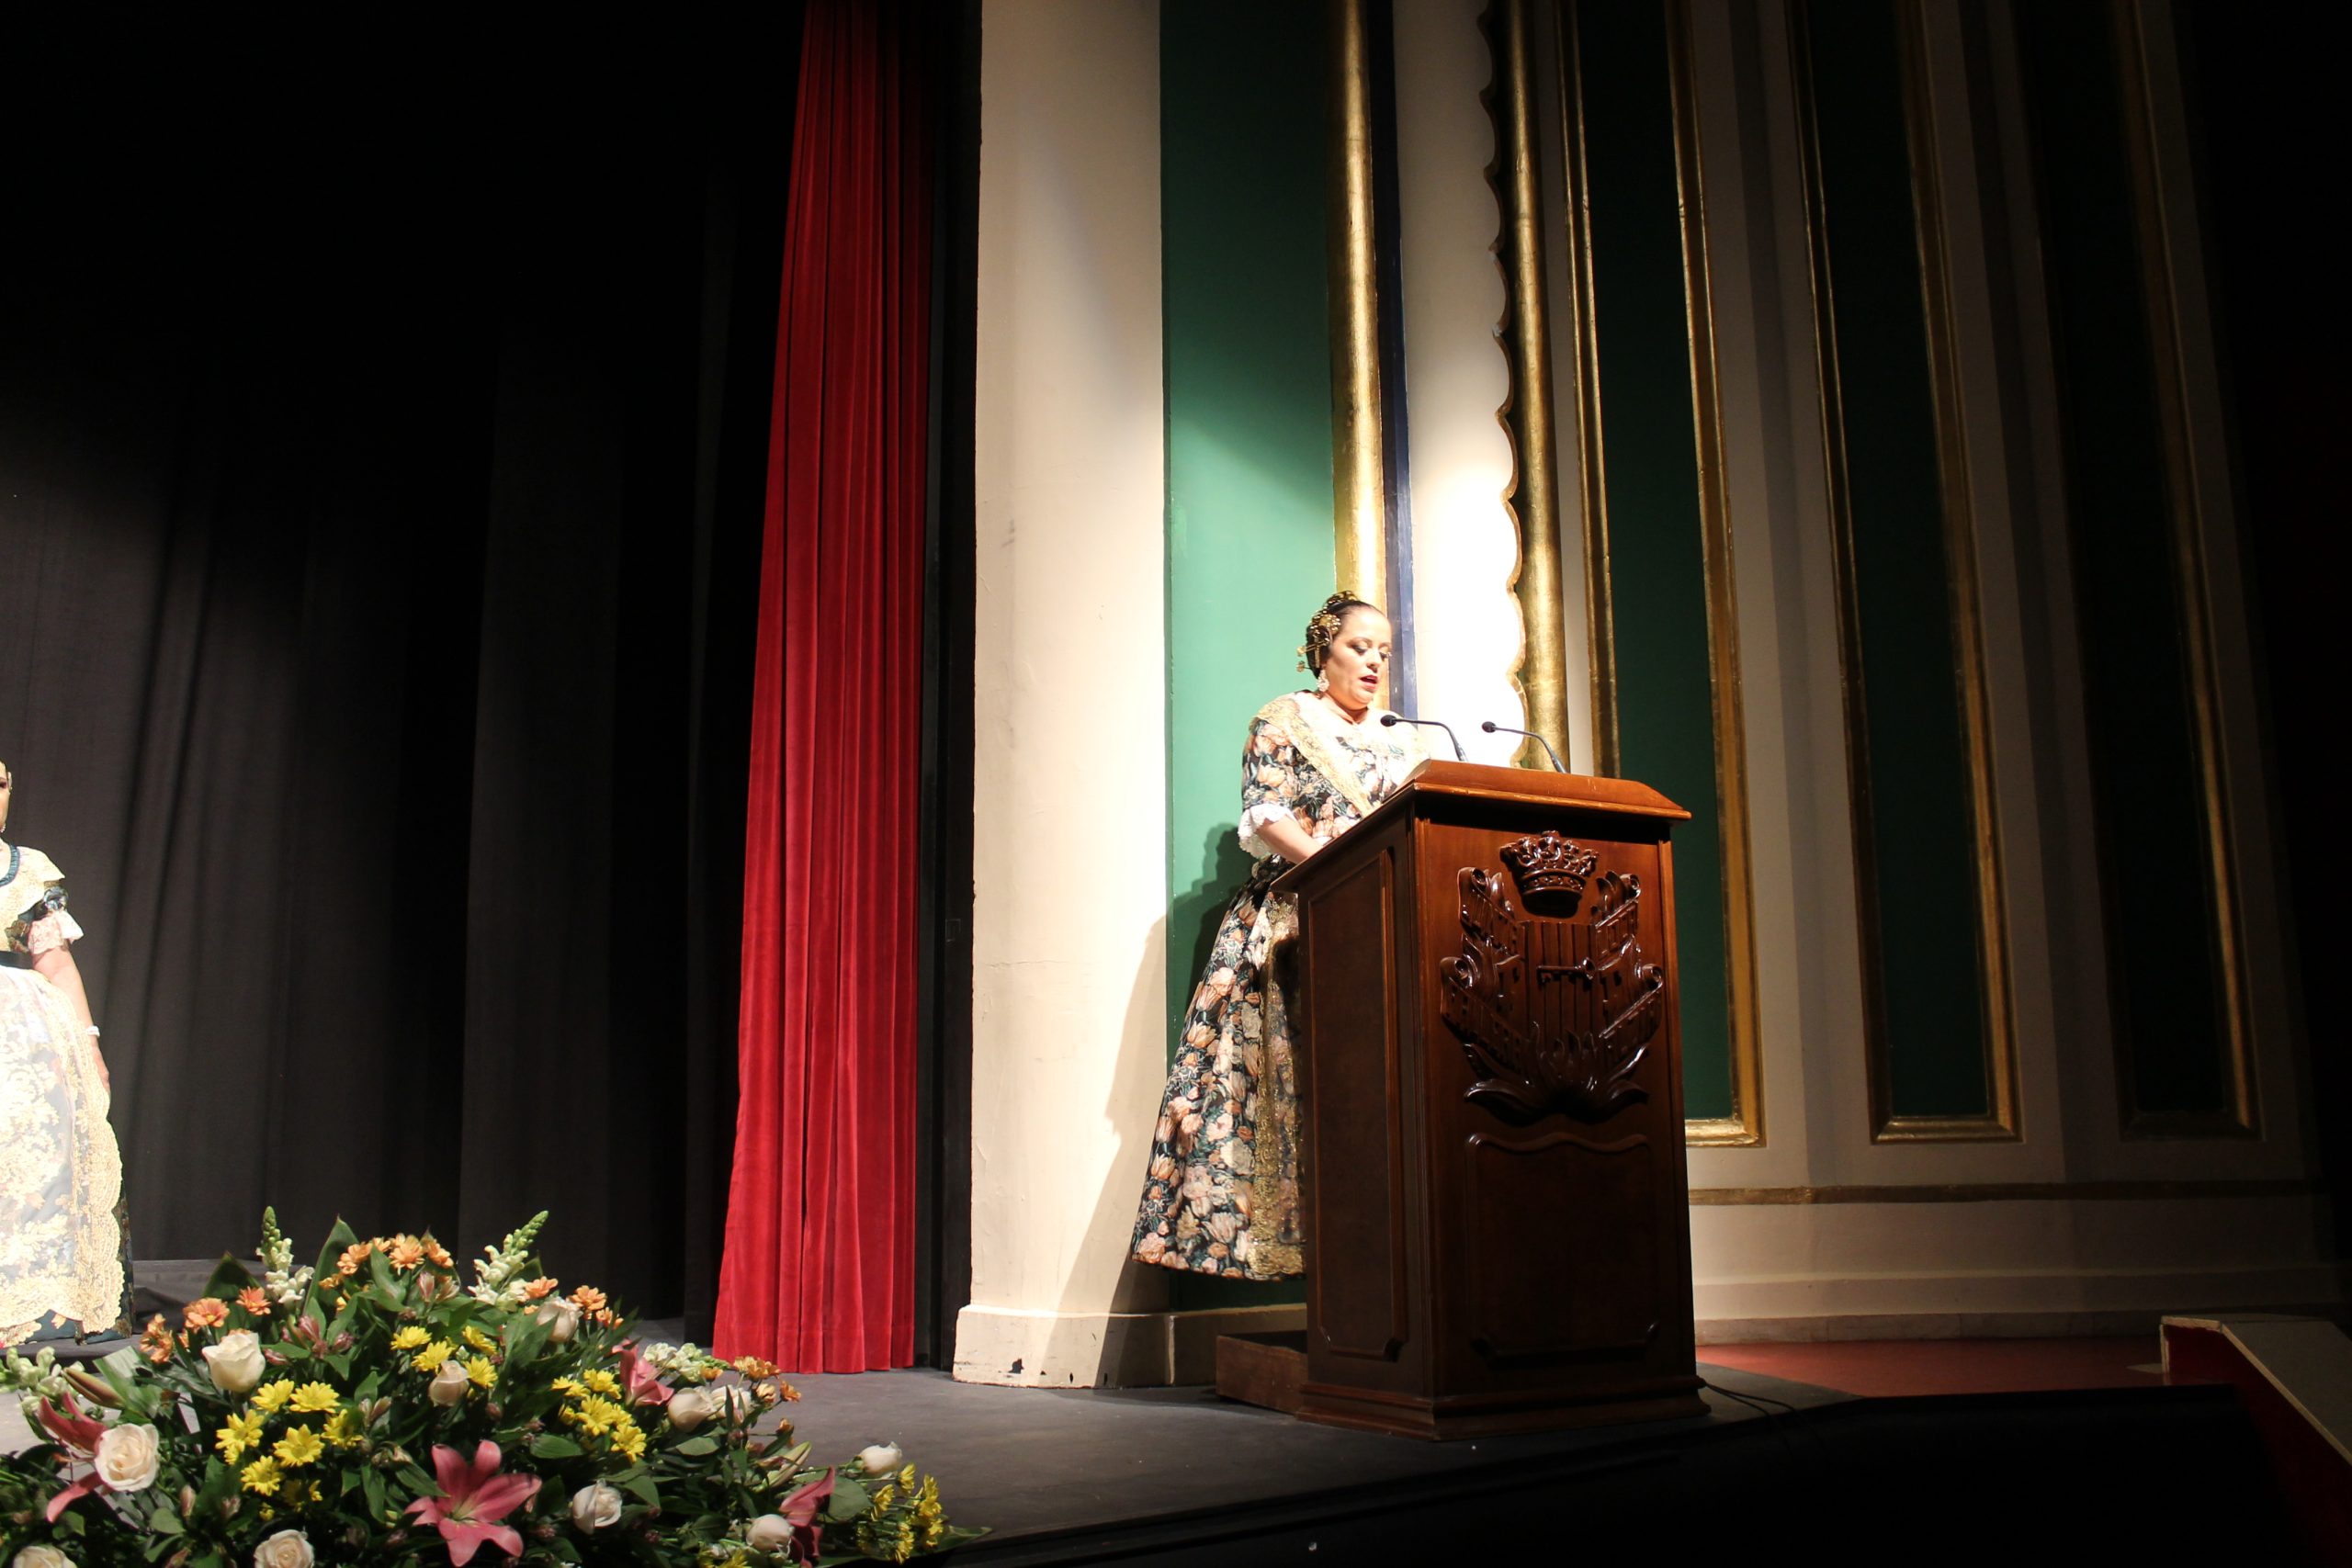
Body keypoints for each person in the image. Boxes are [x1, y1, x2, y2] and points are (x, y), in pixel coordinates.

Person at [1131, 593, 1426, 1280]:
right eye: (1360, 647)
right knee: (1284, 1082)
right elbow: (1267, 814)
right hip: (1299, 914)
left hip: (1385, 916)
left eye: (1383, 652)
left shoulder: (1406, 738)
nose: (1374, 662)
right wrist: (1336, 870)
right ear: (1323, 650)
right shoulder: (1284, 721)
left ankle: (1381, 1254)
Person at [0, 758, 131, 1348]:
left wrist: (89, 1043)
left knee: (37, 1159)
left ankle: (38, 1308)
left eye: (1, 783)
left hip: (27, 1035)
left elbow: (55, 963)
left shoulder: (29, 870)